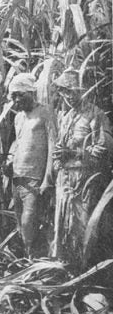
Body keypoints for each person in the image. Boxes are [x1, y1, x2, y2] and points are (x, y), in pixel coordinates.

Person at [51, 69, 112, 265]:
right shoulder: (67, 116)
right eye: (63, 91)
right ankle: (67, 266)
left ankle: (86, 268)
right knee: (64, 223)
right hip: (65, 180)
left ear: (83, 90)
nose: (67, 96)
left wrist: (75, 154)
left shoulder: (96, 115)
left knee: (84, 224)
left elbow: (104, 148)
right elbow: (60, 144)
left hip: (85, 182)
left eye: (70, 91)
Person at [4, 73, 54, 257]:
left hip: (35, 178)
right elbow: (17, 143)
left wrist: (47, 178)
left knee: (28, 221)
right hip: (17, 177)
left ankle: (33, 259)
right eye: (13, 96)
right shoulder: (18, 118)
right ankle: (27, 260)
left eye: (20, 94)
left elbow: (52, 146)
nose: (16, 100)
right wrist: (9, 159)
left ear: (31, 92)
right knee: (20, 221)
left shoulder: (45, 113)